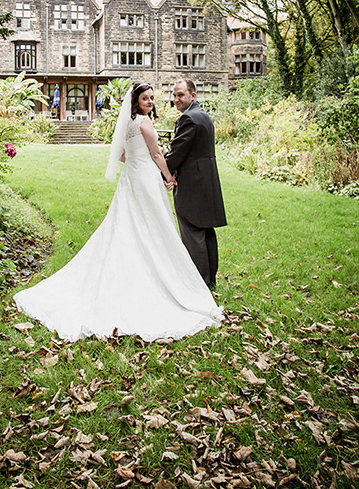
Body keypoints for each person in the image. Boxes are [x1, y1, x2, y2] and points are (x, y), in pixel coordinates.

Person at [13, 82, 222, 342]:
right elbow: (157, 154)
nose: (150, 102)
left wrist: (138, 159)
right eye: (145, 98)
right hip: (144, 177)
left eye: (152, 98)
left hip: (132, 176)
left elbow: (121, 155)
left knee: (130, 223)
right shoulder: (144, 122)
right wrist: (168, 177)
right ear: (135, 101)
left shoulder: (127, 123)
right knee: (152, 224)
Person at [165, 79, 227, 289]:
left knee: (192, 232)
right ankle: (210, 279)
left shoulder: (188, 119)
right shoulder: (204, 116)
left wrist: (164, 173)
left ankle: (199, 282)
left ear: (193, 95)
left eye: (180, 95)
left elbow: (176, 154)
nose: (176, 99)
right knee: (206, 231)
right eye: (174, 95)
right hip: (207, 181)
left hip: (192, 183)